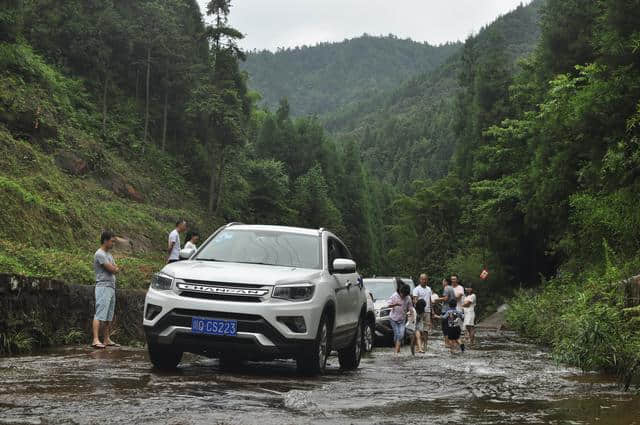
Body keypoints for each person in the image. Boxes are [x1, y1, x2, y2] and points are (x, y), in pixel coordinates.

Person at [92, 230, 120, 349]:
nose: (113, 244)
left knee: (109, 314)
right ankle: (95, 339)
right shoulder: (100, 254)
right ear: (105, 241)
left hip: (111, 287)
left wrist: (114, 268)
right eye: (112, 241)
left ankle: (106, 338)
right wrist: (114, 268)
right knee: (100, 313)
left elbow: (115, 267)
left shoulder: (109, 255)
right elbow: (113, 269)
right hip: (103, 286)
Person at [387, 279, 412, 355]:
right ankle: (397, 349)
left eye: (405, 295)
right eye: (402, 294)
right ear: (400, 291)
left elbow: (410, 307)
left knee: (400, 334)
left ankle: (396, 350)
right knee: (397, 334)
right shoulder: (395, 295)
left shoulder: (408, 298)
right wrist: (395, 304)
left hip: (402, 319)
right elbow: (388, 305)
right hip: (393, 319)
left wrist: (412, 315)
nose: (403, 296)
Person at [412, 273, 432, 351]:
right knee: (419, 329)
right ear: (420, 280)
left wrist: (432, 311)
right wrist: (418, 309)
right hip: (419, 312)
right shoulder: (416, 289)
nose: (424, 281)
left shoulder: (429, 289)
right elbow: (415, 300)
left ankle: (425, 346)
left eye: (425, 279)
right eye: (422, 279)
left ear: (427, 280)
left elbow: (430, 300)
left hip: (428, 311)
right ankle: (418, 346)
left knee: (426, 329)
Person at [439, 278, 456, 347]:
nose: (442, 283)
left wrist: (437, 299)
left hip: (446, 310)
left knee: (445, 327)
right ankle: (452, 342)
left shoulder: (446, 288)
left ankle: (446, 343)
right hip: (451, 310)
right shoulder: (452, 288)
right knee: (450, 326)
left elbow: (445, 298)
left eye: (443, 281)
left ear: (446, 282)